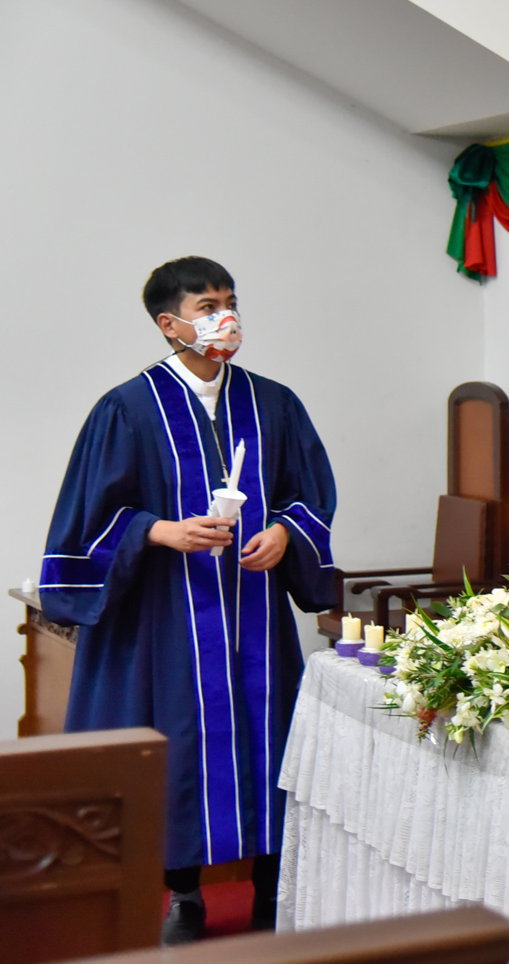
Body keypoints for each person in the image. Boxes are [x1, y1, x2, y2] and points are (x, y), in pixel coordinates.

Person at [39, 257, 337, 943]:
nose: (225, 318)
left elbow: (309, 496)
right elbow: (88, 520)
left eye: (230, 302)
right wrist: (159, 530)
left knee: (269, 744)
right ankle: (184, 895)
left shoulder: (273, 404)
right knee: (179, 748)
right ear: (169, 324)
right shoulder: (128, 408)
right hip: (170, 618)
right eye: (208, 307)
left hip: (254, 614)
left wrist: (285, 533)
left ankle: (272, 889)